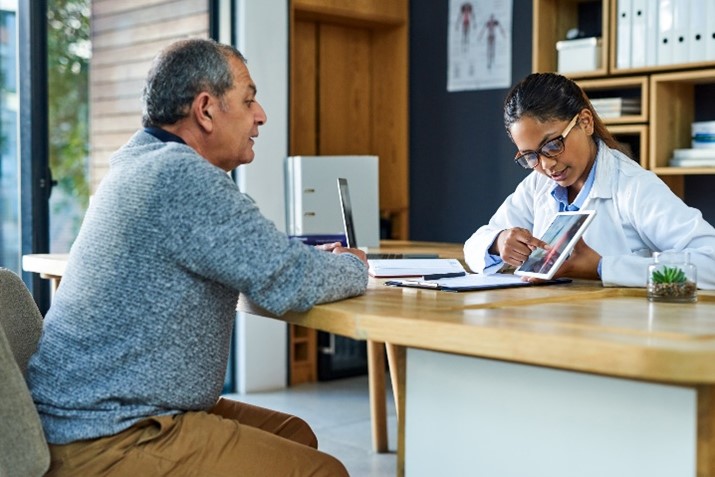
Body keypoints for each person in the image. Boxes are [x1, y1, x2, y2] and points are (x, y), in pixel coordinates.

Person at [26, 38, 369, 476]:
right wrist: (355, 264)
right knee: (325, 472)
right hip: (109, 434)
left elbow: (265, 259)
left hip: (89, 415)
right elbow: (289, 280)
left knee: (294, 435)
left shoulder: (140, 161)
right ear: (206, 110)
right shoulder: (179, 174)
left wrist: (290, 259)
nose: (261, 115)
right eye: (248, 101)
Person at [464, 72, 715, 289]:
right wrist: (499, 243)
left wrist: (602, 268)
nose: (546, 164)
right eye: (530, 156)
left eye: (553, 145)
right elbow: (474, 245)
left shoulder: (633, 186)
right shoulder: (537, 185)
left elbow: (710, 263)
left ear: (585, 122)